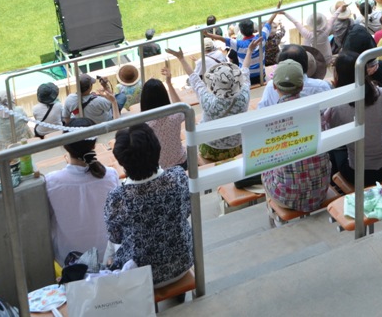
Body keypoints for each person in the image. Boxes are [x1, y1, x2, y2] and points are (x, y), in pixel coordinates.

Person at [105, 124, 193, 287]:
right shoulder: (178, 176)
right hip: (184, 261)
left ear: (121, 160)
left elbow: (115, 236)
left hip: (141, 274)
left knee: (109, 254)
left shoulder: (118, 197)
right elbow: (187, 210)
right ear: (157, 148)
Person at [325, 51, 382, 186]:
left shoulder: (337, 105)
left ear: (337, 75)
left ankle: (332, 186)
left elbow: (333, 140)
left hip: (358, 173)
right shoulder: (381, 93)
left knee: (336, 151)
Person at [43, 117, 121, 264]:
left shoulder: (51, 182)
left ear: (66, 146)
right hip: (107, 257)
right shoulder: (110, 175)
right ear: (94, 144)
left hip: (68, 261)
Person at [261, 60, 332, 212]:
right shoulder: (317, 113)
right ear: (301, 86)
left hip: (286, 196)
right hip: (319, 190)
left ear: (274, 86)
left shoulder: (270, 120)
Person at [171, 48, 250, 161]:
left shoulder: (207, 101)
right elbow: (245, 71)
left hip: (211, 150)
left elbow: (195, 79)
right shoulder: (244, 95)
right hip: (238, 146)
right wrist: (249, 51)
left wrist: (181, 58)